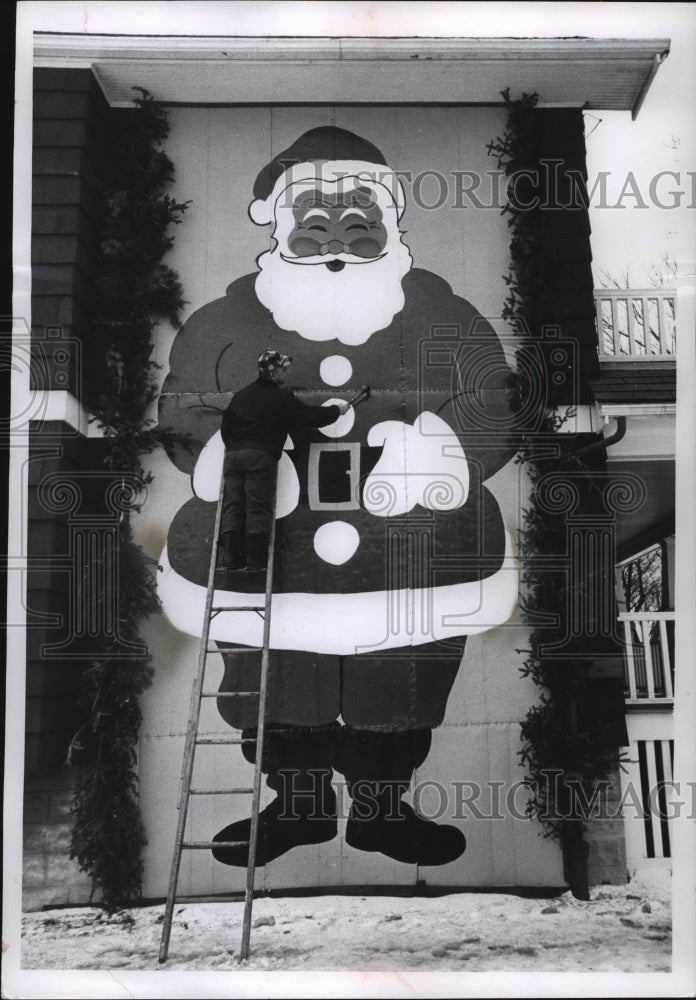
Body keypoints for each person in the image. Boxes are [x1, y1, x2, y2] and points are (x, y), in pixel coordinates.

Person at [158, 126, 519, 870]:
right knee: (272, 673)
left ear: (389, 224)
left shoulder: (441, 315)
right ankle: (297, 805)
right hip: (273, 550)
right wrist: (234, 457)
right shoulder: (223, 323)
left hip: (409, 549)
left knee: (403, 675)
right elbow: (183, 409)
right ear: (280, 223)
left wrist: (439, 452)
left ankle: (383, 811)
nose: (337, 239)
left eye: (360, 224)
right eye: (316, 224)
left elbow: (495, 401)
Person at [218, 348, 349, 573]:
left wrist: (236, 448)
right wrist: (337, 410)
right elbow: (310, 417)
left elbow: (225, 428)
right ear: (273, 371)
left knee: (234, 505)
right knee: (258, 506)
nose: (286, 373)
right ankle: (256, 561)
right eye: (283, 369)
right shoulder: (280, 397)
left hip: (233, 457)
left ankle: (230, 557)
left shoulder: (241, 396)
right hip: (259, 457)